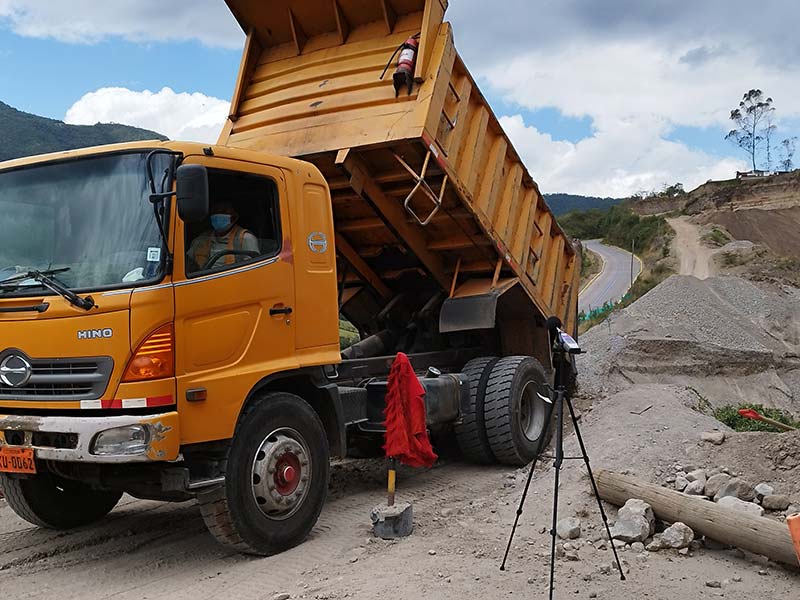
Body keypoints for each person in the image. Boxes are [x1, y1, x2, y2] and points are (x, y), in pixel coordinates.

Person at [187, 201, 260, 272]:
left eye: (224, 211)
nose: (218, 215)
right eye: (215, 211)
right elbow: (188, 264)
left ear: (234, 217)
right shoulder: (201, 239)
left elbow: (252, 271)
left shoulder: (245, 238)